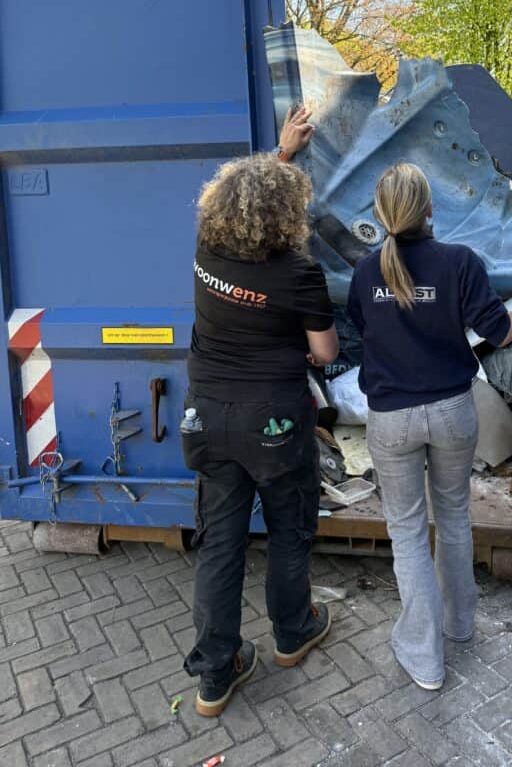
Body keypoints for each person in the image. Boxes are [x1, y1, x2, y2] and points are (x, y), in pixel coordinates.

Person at [347, 162, 512, 690]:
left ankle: (425, 658)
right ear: (430, 209)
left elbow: (364, 330)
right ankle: (460, 625)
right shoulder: (459, 262)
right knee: (452, 518)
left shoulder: (364, 272)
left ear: (380, 215)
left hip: (392, 418)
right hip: (452, 411)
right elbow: (500, 332)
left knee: (407, 533)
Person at [182, 106, 339, 716]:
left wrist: (279, 153)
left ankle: (215, 674)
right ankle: (293, 633)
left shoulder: (207, 250)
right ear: (289, 213)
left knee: (219, 542)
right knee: (288, 530)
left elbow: (248, 204)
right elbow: (324, 352)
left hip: (208, 418)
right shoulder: (300, 273)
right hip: (274, 423)